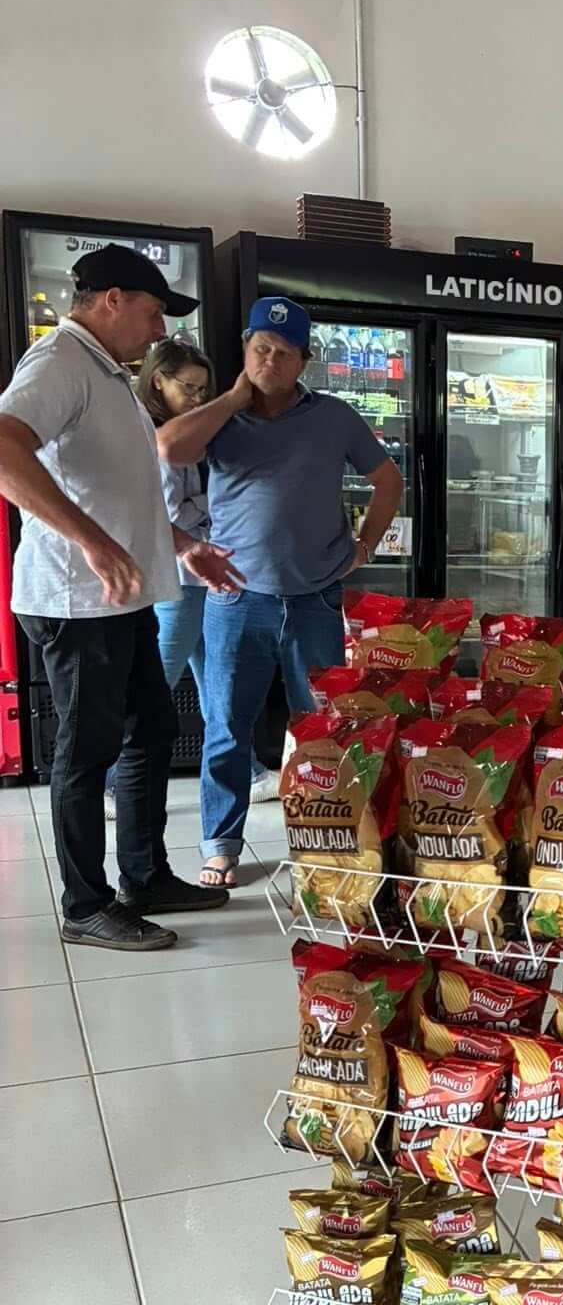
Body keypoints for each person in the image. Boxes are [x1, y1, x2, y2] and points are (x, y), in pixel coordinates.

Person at [0, 245, 243, 950]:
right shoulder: (59, 362)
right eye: (154, 311)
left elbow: (119, 494)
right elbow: (5, 446)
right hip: (77, 601)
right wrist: (92, 543)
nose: (160, 329)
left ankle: (145, 876)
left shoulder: (107, 372)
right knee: (87, 753)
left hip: (122, 597)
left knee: (153, 731)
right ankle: (85, 906)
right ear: (112, 300)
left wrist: (183, 544)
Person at [160, 295, 404, 888]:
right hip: (235, 599)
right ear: (246, 350)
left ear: (304, 361)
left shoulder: (334, 417)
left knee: (323, 728)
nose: (270, 360)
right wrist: (232, 399)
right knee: (226, 726)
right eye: (260, 348)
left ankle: (325, 843)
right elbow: (168, 449)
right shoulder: (221, 417)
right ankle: (221, 844)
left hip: (315, 599)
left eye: (284, 352)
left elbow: (387, 479)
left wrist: (365, 545)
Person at [103, 339, 275, 815]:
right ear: (158, 381)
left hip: (199, 579)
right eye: (189, 388)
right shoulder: (159, 439)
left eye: (204, 389)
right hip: (178, 579)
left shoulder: (178, 431)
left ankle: (248, 771)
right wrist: (218, 501)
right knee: (158, 681)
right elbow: (169, 514)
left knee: (215, 681)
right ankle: (113, 780)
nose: (198, 398)